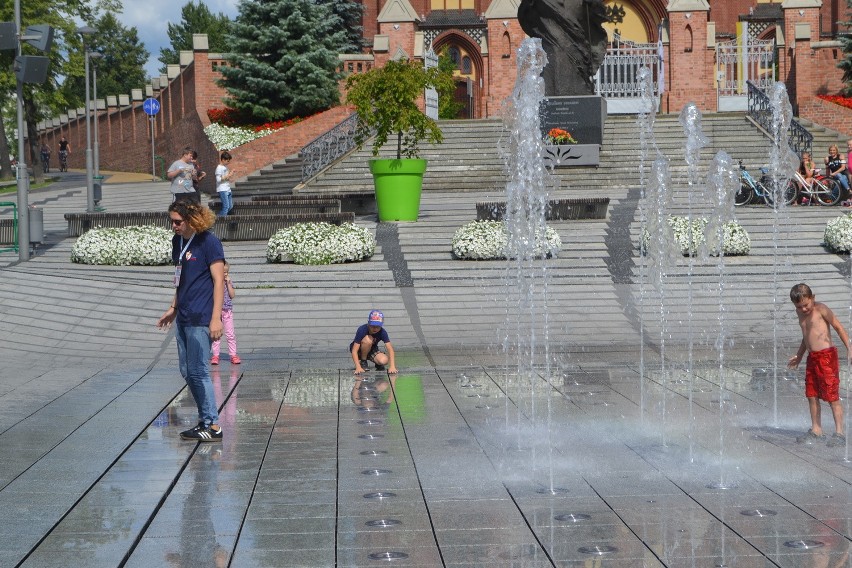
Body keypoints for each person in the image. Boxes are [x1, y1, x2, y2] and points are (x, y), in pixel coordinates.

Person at [157, 200, 225, 442]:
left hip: (201, 316)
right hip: (184, 316)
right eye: (171, 221)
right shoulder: (178, 242)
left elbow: (219, 282)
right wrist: (172, 307)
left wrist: (216, 319)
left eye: (178, 221)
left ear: (192, 219)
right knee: (187, 371)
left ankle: (213, 425)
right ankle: (204, 420)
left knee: (199, 371)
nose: (173, 226)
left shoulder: (209, 242)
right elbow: (181, 279)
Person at [787, 283, 848, 448]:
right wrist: (799, 355)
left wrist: (849, 348)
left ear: (812, 298)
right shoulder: (800, 313)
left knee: (831, 395)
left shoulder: (821, 309)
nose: (804, 309)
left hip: (827, 357)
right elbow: (806, 336)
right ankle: (816, 430)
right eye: (799, 307)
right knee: (811, 394)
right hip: (812, 357)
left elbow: (838, 327)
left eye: (806, 305)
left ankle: (840, 433)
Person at [210, 260, 241, 365]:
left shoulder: (228, 282)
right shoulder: (213, 283)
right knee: (216, 335)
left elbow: (232, 295)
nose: (225, 274)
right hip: (217, 312)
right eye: (223, 272)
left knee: (230, 334)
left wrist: (228, 284)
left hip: (227, 311)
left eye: (227, 272)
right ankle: (215, 355)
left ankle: (233, 355)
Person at [350, 310, 398, 375]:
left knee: (384, 360)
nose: (375, 329)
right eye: (372, 326)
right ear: (368, 323)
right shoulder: (362, 329)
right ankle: (363, 362)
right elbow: (354, 350)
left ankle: (377, 363)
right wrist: (358, 367)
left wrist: (392, 366)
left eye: (378, 327)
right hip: (360, 350)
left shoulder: (382, 332)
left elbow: (390, 349)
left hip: (371, 350)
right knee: (368, 340)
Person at [215, 151, 235, 216]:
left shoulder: (225, 167)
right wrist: (229, 175)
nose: (228, 162)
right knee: (226, 207)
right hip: (222, 189)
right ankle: (218, 220)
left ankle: (229, 222)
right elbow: (218, 179)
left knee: (230, 207)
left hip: (228, 188)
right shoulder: (219, 168)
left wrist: (230, 175)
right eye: (227, 161)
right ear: (223, 159)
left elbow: (226, 178)